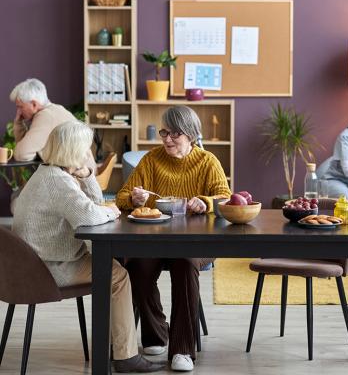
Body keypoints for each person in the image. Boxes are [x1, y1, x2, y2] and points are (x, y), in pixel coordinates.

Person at [12, 121, 164, 373]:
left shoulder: (49, 173)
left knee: (113, 270)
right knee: (118, 276)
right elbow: (91, 215)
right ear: (73, 151)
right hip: (50, 269)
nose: (88, 154)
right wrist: (113, 210)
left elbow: (92, 205)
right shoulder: (58, 183)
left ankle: (116, 346)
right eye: (85, 149)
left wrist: (88, 177)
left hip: (36, 263)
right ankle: (126, 357)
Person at [116, 105, 231, 372]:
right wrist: (134, 198)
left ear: (190, 134)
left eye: (175, 133)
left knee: (185, 263)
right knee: (136, 266)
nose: (167, 139)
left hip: (197, 242)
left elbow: (224, 197)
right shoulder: (151, 160)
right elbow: (121, 197)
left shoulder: (207, 161)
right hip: (155, 239)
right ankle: (156, 334)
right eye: (164, 132)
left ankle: (182, 349)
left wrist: (205, 202)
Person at [9, 78, 96, 171]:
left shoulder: (46, 116)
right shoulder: (54, 110)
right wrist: (19, 123)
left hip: (80, 179)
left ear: (34, 104)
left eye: (20, 107)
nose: (18, 112)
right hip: (84, 175)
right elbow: (23, 148)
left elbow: (21, 154)